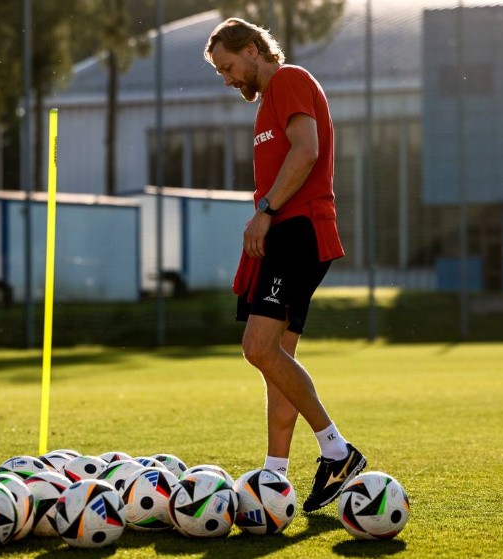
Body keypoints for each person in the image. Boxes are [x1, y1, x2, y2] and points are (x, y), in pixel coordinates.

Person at [204, 17, 366, 512]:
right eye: (220, 72)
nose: (227, 79)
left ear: (253, 50)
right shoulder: (269, 101)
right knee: (278, 360)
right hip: (287, 233)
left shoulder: (289, 80)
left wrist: (265, 211)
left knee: (258, 348)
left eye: (228, 67)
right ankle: (274, 475)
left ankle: (337, 451)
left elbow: (307, 150)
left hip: (297, 231)